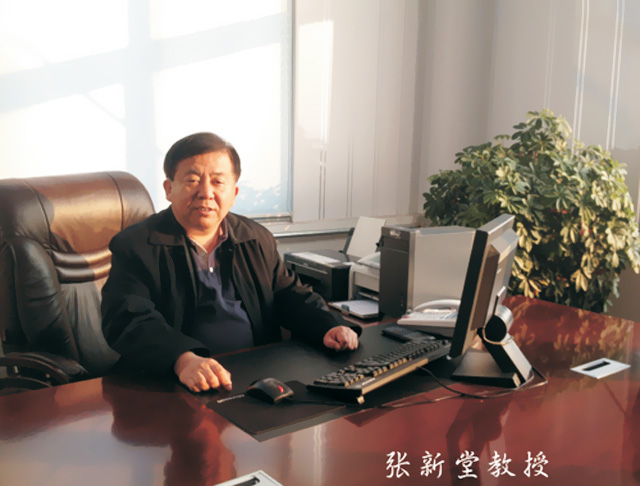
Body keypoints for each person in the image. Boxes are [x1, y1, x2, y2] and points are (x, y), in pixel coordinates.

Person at [101, 132, 360, 393]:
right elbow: (128, 318)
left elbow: (289, 294)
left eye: (218, 182)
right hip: (172, 382)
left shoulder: (256, 239)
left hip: (256, 377)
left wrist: (328, 325)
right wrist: (182, 359)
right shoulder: (137, 245)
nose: (206, 193)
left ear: (234, 192)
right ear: (169, 189)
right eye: (192, 180)